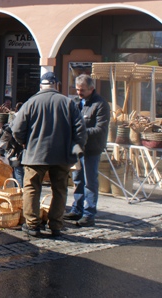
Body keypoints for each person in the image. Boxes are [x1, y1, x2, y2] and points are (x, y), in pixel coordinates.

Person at [12, 72, 87, 237]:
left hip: (35, 154)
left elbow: (16, 129)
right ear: (56, 85)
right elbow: (81, 131)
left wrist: (24, 143)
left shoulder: (30, 103)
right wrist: (75, 148)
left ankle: (32, 225)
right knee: (59, 190)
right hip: (62, 155)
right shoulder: (68, 103)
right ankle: (56, 225)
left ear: (41, 86)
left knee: (32, 188)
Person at [64, 74, 110, 227]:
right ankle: (77, 209)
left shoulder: (101, 104)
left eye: (82, 90)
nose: (79, 92)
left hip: (92, 149)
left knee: (90, 182)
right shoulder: (77, 103)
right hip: (78, 148)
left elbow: (100, 129)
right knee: (77, 179)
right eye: (77, 89)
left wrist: (81, 131)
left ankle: (89, 214)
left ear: (91, 89)